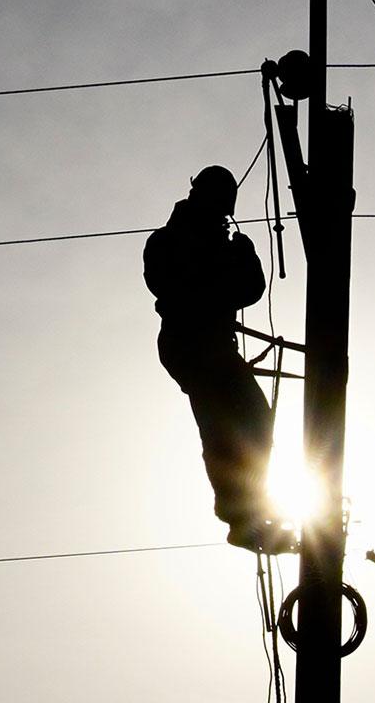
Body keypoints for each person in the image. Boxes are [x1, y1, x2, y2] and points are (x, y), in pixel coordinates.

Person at [143, 165, 292, 553]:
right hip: (191, 344)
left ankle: (248, 511)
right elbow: (174, 284)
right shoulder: (170, 241)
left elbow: (250, 290)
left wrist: (244, 255)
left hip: (209, 346)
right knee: (230, 425)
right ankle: (242, 517)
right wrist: (226, 265)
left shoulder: (218, 245)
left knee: (250, 422)